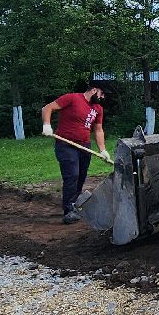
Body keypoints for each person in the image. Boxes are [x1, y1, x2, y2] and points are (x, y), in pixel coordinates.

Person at [41, 85, 109, 224]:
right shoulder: (72, 98)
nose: (102, 98)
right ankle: (68, 210)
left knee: (81, 176)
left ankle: (74, 204)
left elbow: (98, 130)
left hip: (84, 146)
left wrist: (103, 150)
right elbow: (47, 108)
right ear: (94, 90)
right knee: (72, 174)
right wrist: (47, 125)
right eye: (102, 94)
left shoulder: (98, 109)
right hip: (65, 144)